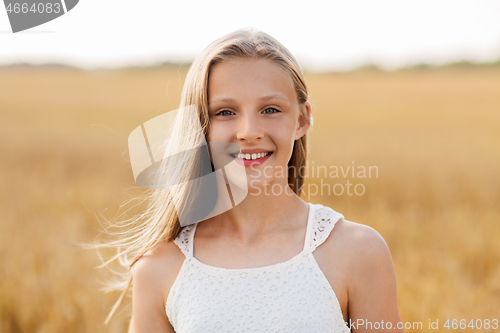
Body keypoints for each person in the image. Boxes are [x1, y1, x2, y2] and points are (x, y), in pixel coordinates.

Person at [99, 27, 404, 332]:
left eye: (270, 109)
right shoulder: (160, 267)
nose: (248, 131)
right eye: (226, 112)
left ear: (302, 120)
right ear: (200, 127)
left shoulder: (358, 252)